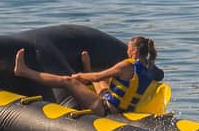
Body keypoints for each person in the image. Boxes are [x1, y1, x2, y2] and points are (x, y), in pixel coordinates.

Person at [13, 36, 163, 116]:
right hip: (121, 109)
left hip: (105, 109)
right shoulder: (149, 67)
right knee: (106, 84)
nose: (127, 52)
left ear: (134, 51)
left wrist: (79, 76)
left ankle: (24, 71)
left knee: (68, 81)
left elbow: (97, 77)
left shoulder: (127, 65)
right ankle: (87, 67)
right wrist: (87, 72)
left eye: (129, 49)